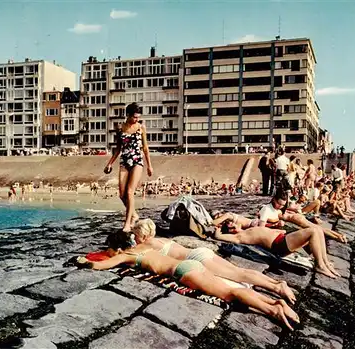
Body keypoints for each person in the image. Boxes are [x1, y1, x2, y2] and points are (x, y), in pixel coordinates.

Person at [77, 230, 300, 330]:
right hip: (193, 264)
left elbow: (100, 264)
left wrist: (84, 261)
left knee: (230, 293)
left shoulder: (125, 255)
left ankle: (273, 310)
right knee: (232, 284)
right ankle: (273, 302)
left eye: (110, 250)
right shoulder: (143, 245)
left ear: (117, 249)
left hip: (184, 271)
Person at [132, 218, 296, 303]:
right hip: (200, 252)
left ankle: (277, 289)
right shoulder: (160, 239)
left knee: (239, 276)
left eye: (136, 236)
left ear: (143, 235)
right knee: (240, 272)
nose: (136, 239)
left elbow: (126, 253)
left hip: (196, 259)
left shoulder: (147, 244)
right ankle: (276, 284)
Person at [104, 103, 153, 232]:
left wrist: (149, 166)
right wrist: (109, 163)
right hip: (124, 161)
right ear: (128, 115)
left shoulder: (141, 128)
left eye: (138, 117)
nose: (136, 120)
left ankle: (127, 223)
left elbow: (145, 148)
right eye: (134, 117)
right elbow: (118, 149)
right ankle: (134, 214)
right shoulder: (120, 128)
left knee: (130, 192)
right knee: (121, 194)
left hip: (137, 160)